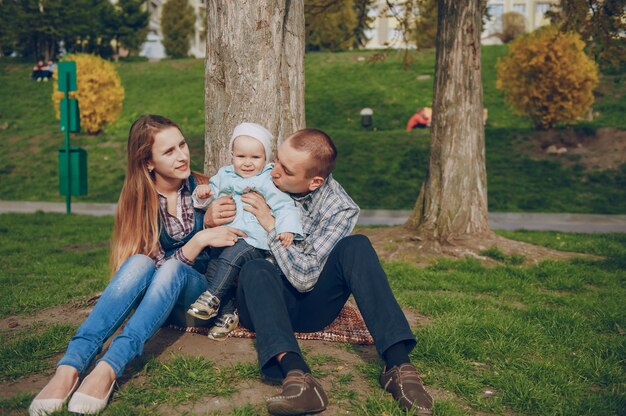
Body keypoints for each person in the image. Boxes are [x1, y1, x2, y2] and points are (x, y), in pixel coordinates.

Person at [205, 128, 434, 415]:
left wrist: (269, 223)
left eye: (285, 170)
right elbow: (213, 196)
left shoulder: (340, 208)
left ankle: (399, 366)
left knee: (357, 246)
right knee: (255, 268)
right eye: (276, 160)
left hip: (311, 306)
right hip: (262, 303)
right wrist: (209, 217)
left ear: (314, 182)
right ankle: (298, 378)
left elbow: (305, 279)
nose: (274, 172)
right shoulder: (260, 179)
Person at [28, 115, 246, 416]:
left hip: (201, 299)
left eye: (182, 144)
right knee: (139, 262)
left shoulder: (208, 187)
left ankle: (109, 367)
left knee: (171, 269)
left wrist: (206, 230)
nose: (182, 155)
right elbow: (143, 271)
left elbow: (234, 252)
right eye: (169, 151)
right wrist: (198, 240)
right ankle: (69, 367)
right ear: (148, 163)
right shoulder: (138, 198)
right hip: (157, 303)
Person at [187, 122, 303, 341]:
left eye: (255, 158)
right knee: (214, 265)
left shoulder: (267, 181)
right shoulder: (225, 175)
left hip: (254, 241)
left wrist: (287, 228)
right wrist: (202, 194)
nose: (247, 163)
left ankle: (211, 298)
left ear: (265, 159)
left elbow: (285, 206)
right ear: (232, 156)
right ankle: (226, 315)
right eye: (241, 157)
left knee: (232, 257)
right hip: (226, 235)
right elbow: (210, 195)